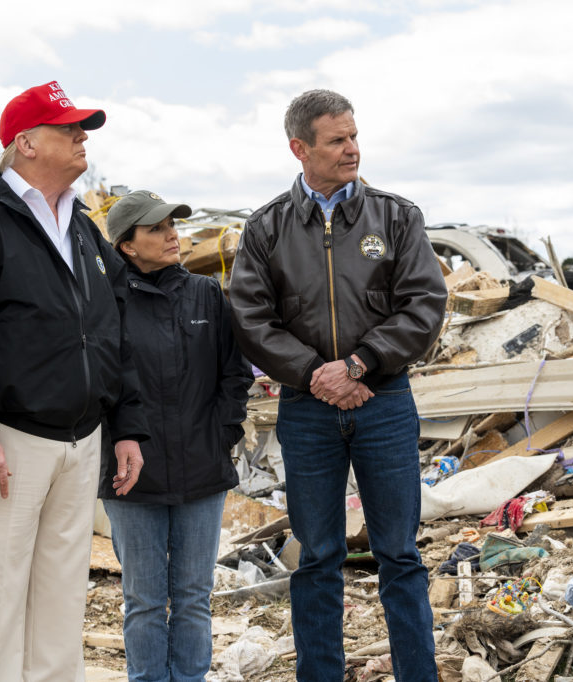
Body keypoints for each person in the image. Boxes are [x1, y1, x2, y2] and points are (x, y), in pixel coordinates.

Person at [0, 80, 149, 682]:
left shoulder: (85, 232)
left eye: (83, 127)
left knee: (60, 607)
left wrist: (126, 426)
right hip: (4, 441)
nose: (81, 136)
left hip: (79, 439)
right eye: (67, 127)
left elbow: (113, 334)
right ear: (25, 144)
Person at [229, 89, 447, 680]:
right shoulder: (267, 227)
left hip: (385, 402)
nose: (352, 149)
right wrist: (314, 375)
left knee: (399, 554)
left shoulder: (397, 217)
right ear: (299, 148)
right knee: (317, 557)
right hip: (307, 409)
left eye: (353, 136)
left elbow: (424, 304)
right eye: (337, 140)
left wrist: (357, 365)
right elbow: (250, 319)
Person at [99, 190, 254, 681]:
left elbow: (235, 372)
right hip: (132, 478)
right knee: (143, 601)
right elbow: (99, 383)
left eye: (173, 225)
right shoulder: (107, 303)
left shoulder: (206, 295)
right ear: (127, 245)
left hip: (201, 469)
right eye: (157, 228)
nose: (172, 235)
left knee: (192, 597)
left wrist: (223, 433)